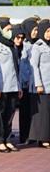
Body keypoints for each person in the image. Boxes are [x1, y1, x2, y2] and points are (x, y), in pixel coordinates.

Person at [0, 17, 21, 153]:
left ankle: (7, 139)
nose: (10, 32)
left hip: (12, 85)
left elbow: (15, 68)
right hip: (0, 86)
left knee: (9, 115)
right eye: (8, 29)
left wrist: (18, 85)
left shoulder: (11, 45)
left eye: (11, 29)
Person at [28, 19, 50, 148]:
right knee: (43, 113)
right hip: (43, 84)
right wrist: (38, 84)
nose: (48, 34)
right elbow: (34, 66)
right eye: (47, 31)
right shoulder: (37, 46)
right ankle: (43, 138)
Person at [18, 17, 39, 143]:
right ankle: (25, 136)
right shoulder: (24, 44)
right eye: (34, 29)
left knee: (34, 111)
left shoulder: (38, 44)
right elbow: (21, 65)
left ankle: (34, 134)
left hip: (35, 83)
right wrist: (23, 82)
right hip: (25, 83)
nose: (36, 32)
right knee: (25, 111)